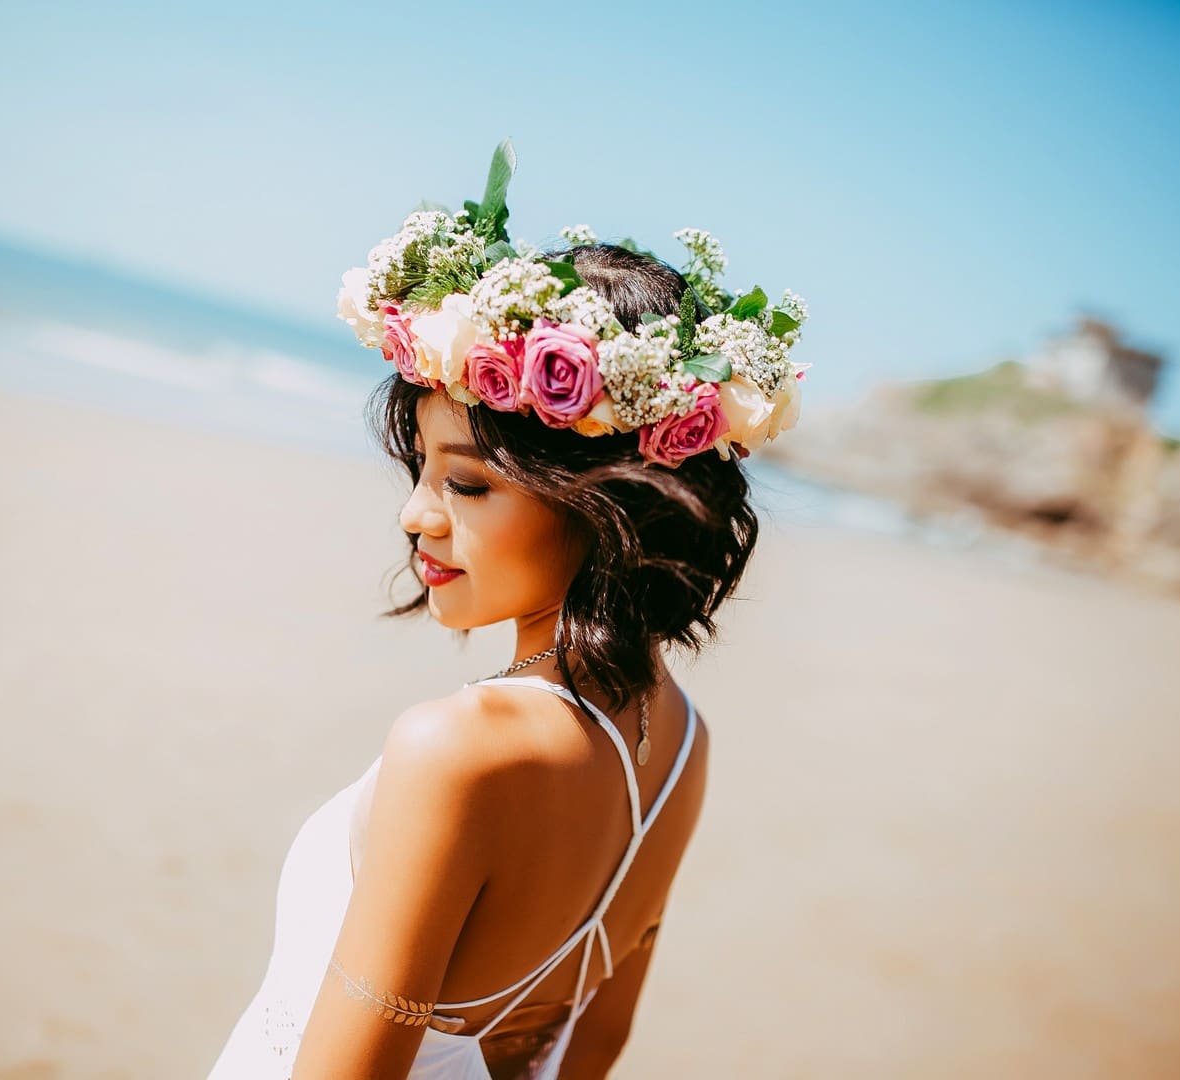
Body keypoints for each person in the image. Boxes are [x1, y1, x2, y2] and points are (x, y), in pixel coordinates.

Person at [206, 142, 809, 1080]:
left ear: (601, 498)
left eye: (467, 485)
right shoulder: (680, 741)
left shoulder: (460, 747)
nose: (415, 517)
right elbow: (593, 1048)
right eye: (419, 474)